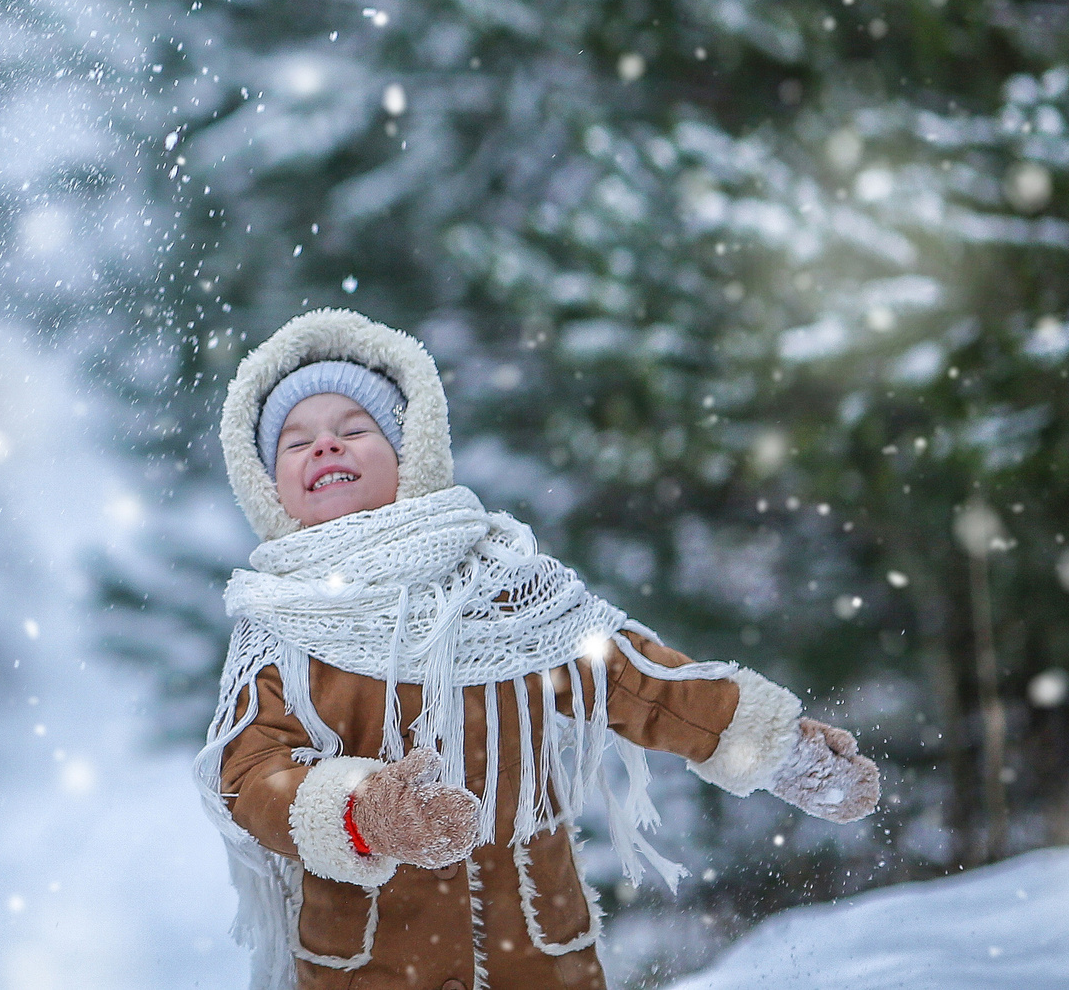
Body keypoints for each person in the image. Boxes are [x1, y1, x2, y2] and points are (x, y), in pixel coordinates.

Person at [200, 310, 880, 989]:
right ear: (267, 488)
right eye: (296, 442)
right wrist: (361, 809)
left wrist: (775, 746)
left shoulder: (503, 590)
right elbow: (251, 769)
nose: (326, 446)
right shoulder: (282, 630)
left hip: (535, 952)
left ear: (413, 453)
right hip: (373, 965)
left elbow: (637, 680)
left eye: (354, 429)